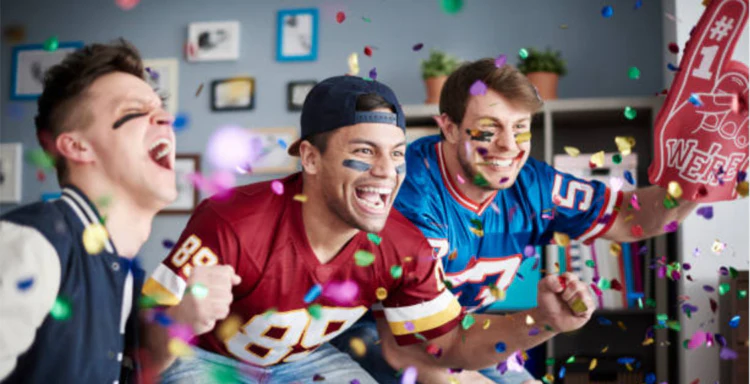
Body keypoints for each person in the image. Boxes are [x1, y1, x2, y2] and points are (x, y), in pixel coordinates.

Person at [141, 76, 596, 384]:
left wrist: (543, 320)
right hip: (209, 359)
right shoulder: (231, 221)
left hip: (304, 362)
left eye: (396, 154)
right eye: (364, 151)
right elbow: (146, 334)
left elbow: (449, 344)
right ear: (310, 158)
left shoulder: (402, 245)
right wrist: (181, 318)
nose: (387, 173)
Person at [334, 57, 714, 383]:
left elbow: (632, 217)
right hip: (372, 333)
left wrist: (698, 177)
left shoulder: (534, 184)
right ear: (448, 127)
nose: (509, 147)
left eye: (520, 128)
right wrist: (540, 321)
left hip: (455, 332)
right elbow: (412, 353)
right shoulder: (409, 195)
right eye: (489, 128)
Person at [0, 38, 177, 383]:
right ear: (77, 146)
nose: (167, 118)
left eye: (161, 108)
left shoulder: (126, 276)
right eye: (134, 111)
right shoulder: (31, 246)